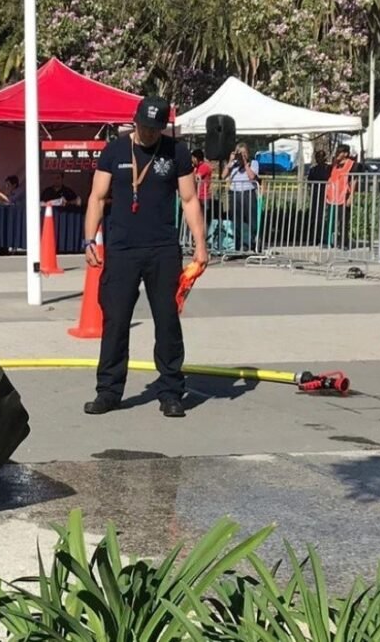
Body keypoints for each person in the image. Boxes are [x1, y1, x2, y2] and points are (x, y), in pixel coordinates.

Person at [82, 95, 208, 419]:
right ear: (134, 119)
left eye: (156, 128)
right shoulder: (115, 150)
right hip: (122, 248)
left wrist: (200, 244)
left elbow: (190, 199)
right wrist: (89, 239)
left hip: (162, 249)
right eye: (144, 126)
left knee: (167, 321)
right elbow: (97, 197)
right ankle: (108, 391)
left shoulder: (176, 151)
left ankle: (170, 392)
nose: (149, 133)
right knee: (116, 321)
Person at [221, 142, 259, 251]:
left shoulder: (253, 163)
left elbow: (252, 177)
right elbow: (223, 176)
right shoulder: (233, 164)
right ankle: (238, 246)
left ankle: (252, 244)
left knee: (252, 221)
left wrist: (246, 163)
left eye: (244, 153)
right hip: (235, 194)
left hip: (248, 193)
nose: (242, 155)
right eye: (240, 153)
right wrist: (230, 161)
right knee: (236, 221)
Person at [324, 144, 359, 249]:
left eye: (339, 152)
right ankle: (328, 241)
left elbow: (354, 180)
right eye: (337, 152)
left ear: (346, 154)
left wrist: (351, 196)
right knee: (330, 219)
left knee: (343, 220)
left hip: (344, 196)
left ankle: (344, 242)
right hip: (332, 196)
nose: (337, 154)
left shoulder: (352, 165)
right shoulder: (334, 164)